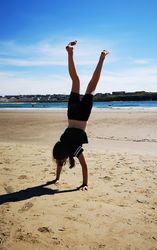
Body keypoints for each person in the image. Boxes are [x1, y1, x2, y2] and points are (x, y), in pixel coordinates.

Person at [50, 41, 108, 191]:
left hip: (82, 116)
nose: (60, 162)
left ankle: (102, 58)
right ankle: (70, 53)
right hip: (72, 112)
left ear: (64, 156)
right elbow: (60, 161)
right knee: (76, 81)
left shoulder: (73, 148)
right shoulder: (62, 142)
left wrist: (85, 184)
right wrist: (56, 178)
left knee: (92, 85)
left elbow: (84, 165)